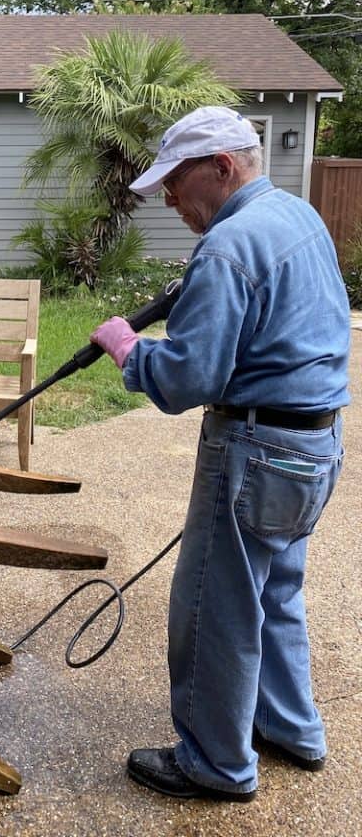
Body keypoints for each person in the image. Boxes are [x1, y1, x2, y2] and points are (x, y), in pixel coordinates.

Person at [90, 105, 349, 802]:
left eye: (176, 182)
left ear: (222, 168)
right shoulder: (299, 218)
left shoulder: (230, 246)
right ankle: (292, 729)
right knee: (275, 594)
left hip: (256, 450)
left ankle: (216, 763)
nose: (169, 199)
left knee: (216, 607)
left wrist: (128, 351)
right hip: (315, 445)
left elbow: (189, 380)